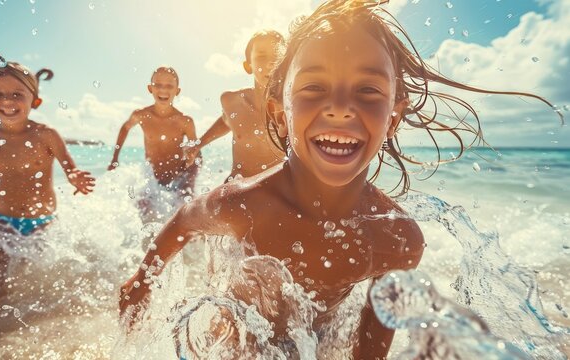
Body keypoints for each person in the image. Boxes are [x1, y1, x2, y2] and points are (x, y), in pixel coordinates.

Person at [119, 1, 559, 358]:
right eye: (313, 88)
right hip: (234, 342)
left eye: (368, 90)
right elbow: (182, 223)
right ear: (279, 112)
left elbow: (369, 351)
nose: (341, 107)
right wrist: (139, 283)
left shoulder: (396, 238)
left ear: (393, 116)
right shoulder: (243, 203)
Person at [0, 61, 95, 302]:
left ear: (34, 101)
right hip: (2, 222)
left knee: (36, 284)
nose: (7, 101)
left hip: (42, 223)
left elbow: (69, 166)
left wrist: (75, 177)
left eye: (17, 94)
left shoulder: (46, 135)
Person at [184, 30, 285, 182]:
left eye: (277, 56)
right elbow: (227, 121)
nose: (271, 62)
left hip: (278, 192)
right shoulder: (233, 102)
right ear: (248, 66)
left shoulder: (294, 107)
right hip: (237, 191)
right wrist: (198, 145)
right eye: (262, 56)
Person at [108, 67, 200, 196]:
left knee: (184, 206)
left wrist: (190, 180)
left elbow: (197, 151)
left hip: (178, 179)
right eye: (158, 85)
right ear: (150, 88)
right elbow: (126, 127)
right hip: (152, 180)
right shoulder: (141, 115)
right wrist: (115, 158)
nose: (163, 89)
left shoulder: (185, 121)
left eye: (169, 86)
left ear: (177, 91)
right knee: (142, 208)